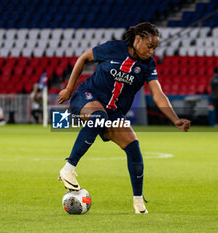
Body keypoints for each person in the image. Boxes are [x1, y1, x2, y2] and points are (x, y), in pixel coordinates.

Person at [57, 22, 191, 214]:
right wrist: (69, 89)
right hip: (87, 97)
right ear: (138, 39)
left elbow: (158, 94)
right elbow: (84, 58)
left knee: (133, 146)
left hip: (112, 112)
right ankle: (68, 168)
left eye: (155, 47)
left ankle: (138, 202)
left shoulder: (147, 65)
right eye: (150, 46)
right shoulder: (112, 48)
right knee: (98, 117)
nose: (152, 51)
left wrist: (175, 119)